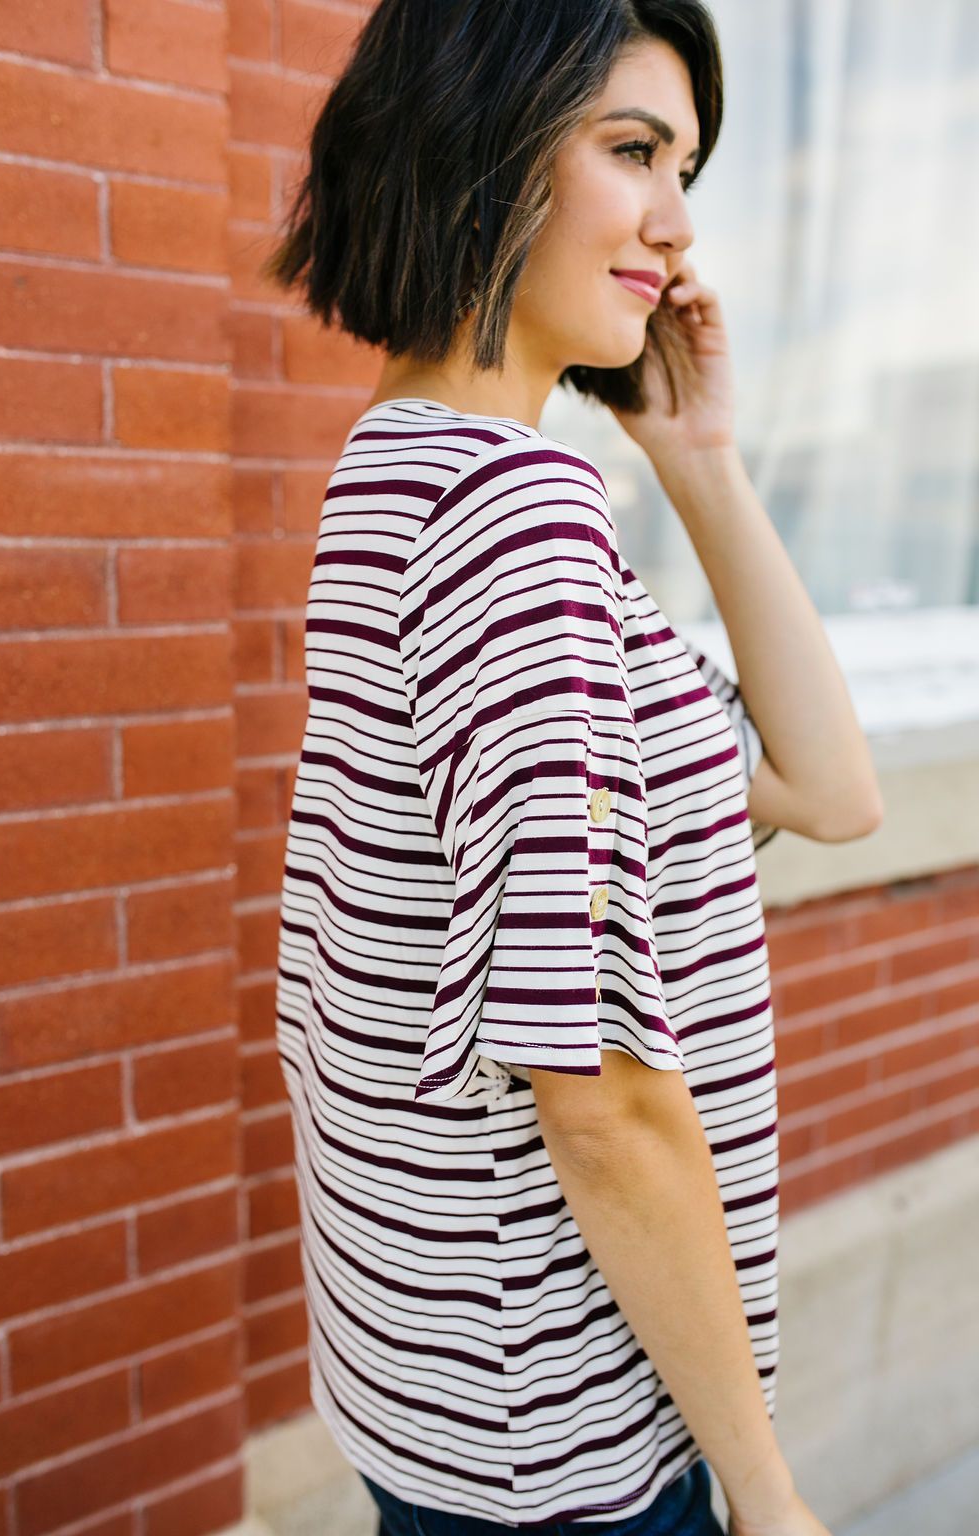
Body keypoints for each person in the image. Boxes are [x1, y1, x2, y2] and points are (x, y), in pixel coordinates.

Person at [264, 2, 883, 1532]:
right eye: (634, 153)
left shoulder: (405, 466)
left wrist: (700, 456)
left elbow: (824, 789)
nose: (678, 229)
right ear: (485, 144)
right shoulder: (515, 518)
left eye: (688, 169)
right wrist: (763, 1482)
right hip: (573, 1442)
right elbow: (594, 1084)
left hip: (463, 1401)